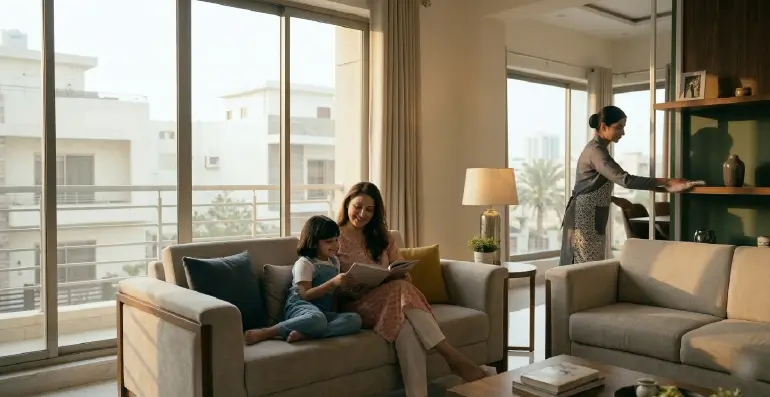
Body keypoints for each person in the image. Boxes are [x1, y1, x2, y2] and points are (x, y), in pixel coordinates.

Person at [335, 182, 487, 397]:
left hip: (391, 300)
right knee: (400, 288)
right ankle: (452, 357)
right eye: (358, 206)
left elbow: (402, 269)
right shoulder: (333, 238)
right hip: (357, 303)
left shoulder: (382, 236)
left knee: (405, 327)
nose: (362, 214)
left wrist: (396, 273)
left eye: (369, 210)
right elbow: (331, 282)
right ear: (347, 203)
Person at [560, 105, 688, 266]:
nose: (623, 133)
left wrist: (614, 199)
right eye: (618, 127)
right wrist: (666, 181)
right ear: (603, 127)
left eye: (623, 127)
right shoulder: (596, 151)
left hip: (591, 213)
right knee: (583, 267)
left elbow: (589, 185)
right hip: (584, 216)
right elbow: (625, 180)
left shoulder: (600, 150)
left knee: (588, 266)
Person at [244, 215, 362, 345]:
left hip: (323, 311)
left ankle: (307, 334)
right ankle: (268, 332)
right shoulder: (305, 263)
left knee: (355, 320)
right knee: (317, 319)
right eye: (329, 241)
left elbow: (332, 293)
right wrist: (333, 282)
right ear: (314, 242)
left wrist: (349, 290)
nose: (335, 245)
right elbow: (305, 295)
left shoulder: (334, 262)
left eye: (336, 240)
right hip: (300, 307)